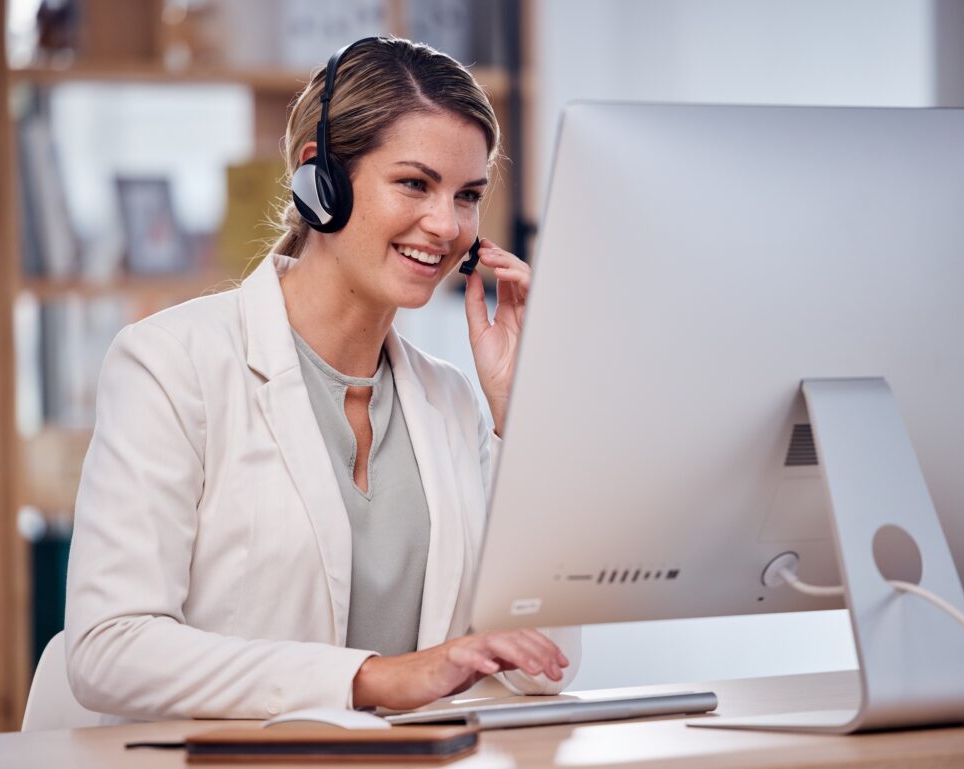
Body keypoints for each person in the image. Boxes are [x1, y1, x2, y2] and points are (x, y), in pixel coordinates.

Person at [65, 36, 580, 721]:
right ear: (322, 178)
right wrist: (371, 678)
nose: (446, 224)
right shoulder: (170, 363)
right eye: (414, 183)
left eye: (468, 195)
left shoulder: (453, 401)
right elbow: (108, 647)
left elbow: (548, 660)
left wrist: (522, 417)